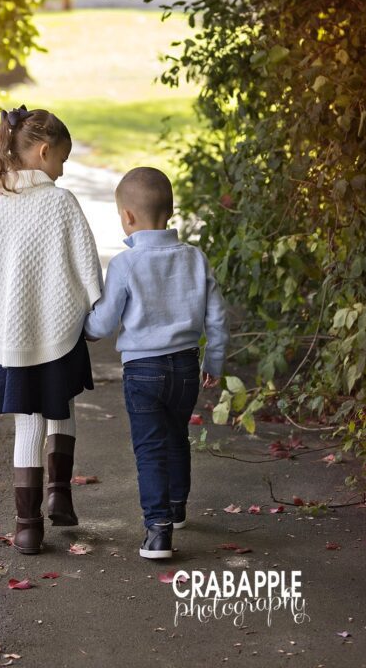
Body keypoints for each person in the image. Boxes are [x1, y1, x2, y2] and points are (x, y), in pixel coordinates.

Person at [0, 105, 102, 556]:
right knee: (61, 404)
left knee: (27, 424)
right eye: (63, 162)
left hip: (9, 337)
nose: (64, 172)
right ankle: (60, 493)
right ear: (45, 152)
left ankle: (27, 526)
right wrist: (93, 314)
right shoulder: (59, 202)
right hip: (56, 331)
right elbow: (87, 268)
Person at [84, 166, 229, 560]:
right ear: (170, 210)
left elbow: (106, 320)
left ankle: (158, 530)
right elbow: (217, 316)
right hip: (185, 368)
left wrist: (84, 329)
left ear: (127, 217)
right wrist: (213, 359)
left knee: (149, 448)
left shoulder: (125, 264)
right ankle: (178, 508)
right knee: (177, 435)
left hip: (143, 372)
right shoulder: (195, 258)